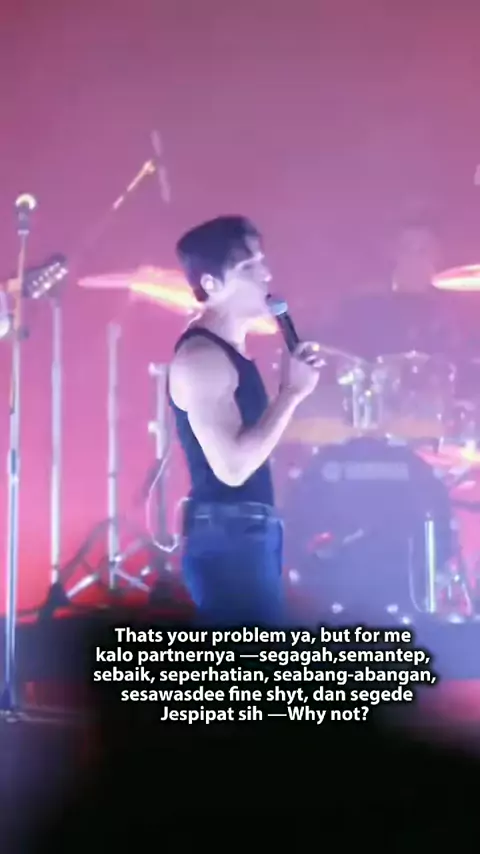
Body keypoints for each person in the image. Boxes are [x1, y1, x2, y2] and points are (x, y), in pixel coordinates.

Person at [168, 215, 321, 625]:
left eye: (262, 261)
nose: (266, 274)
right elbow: (232, 468)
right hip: (230, 538)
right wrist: (291, 393)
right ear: (211, 284)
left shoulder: (228, 352)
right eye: (249, 267)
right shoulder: (202, 358)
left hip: (244, 534)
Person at [323, 220, 454, 360]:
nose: (414, 257)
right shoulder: (362, 305)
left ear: (437, 256)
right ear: (394, 253)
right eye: (407, 248)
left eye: (423, 250)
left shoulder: (451, 310)